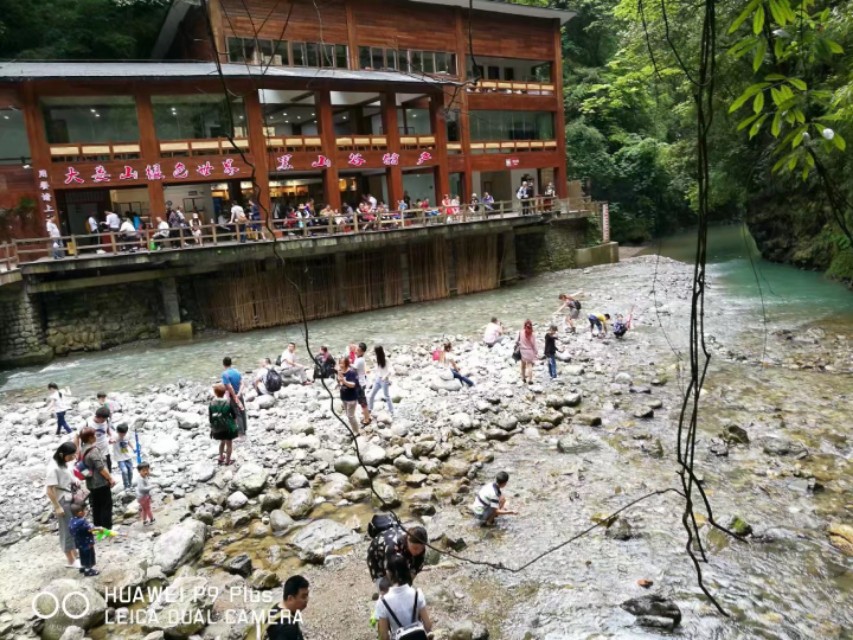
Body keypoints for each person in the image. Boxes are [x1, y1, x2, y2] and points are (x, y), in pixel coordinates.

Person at [374, 554, 433, 640]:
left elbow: (384, 636)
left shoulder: (382, 602)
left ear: (389, 573)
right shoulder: (417, 593)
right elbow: (428, 625)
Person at [45, 441, 80, 568]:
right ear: (61, 454)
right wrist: (57, 507)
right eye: (70, 456)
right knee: (67, 530)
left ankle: (75, 553)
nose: (73, 459)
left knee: (74, 527)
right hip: (62, 501)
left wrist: (75, 480)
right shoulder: (53, 468)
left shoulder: (63, 463)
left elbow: (69, 474)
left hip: (70, 496)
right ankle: (71, 560)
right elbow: (49, 491)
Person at [78, 426, 116, 529]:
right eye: (94, 435)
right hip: (100, 482)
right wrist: (110, 478)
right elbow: (101, 468)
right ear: (90, 438)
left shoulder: (82, 449)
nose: (95, 436)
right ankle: (107, 528)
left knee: (96, 505)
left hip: (90, 483)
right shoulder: (93, 450)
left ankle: (98, 526)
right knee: (106, 505)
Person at [266, 575, 310, 640]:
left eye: (307, 595)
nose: (307, 599)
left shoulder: (275, 609)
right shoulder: (288, 628)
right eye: (303, 596)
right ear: (290, 598)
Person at [74, 406, 114, 471]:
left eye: (105, 420)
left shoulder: (106, 420)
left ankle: (109, 480)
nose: (103, 421)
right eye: (102, 420)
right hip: (91, 451)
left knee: (108, 468)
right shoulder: (87, 423)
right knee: (96, 470)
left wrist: (111, 437)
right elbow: (76, 436)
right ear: (98, 417)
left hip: (104, 449)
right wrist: (77, 450)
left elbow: (108, 430)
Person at [69, 504, 104, 577]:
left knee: (82, 555)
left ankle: (83, 567)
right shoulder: (82, 522)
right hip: (87, 542)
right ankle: (88, 571)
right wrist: (99, 528)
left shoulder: (72, 520)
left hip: (79, 542)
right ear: (80, 513)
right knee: (89, 556)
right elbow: (90, 528)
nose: (85, 512)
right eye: (83, 511)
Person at [210, 383, 239, 465]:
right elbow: (234, 416)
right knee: (229, 444)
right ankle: (227, 461)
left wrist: (212, 427)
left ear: (215, 393)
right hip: (227, 426)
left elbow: (210, 417)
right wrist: (235, 425)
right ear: (224, 393)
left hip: (217, 426)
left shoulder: (212, 403)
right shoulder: (227, 403)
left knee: (222, 442)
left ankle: (221, 457)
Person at [221, 357, 247, 437]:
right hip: (239, 394)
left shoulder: (225, 374)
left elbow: (229, 387)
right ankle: (245, 428)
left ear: (223, 364)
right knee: (242, 411)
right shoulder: (236, 371)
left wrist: (234, 396)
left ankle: (241, 432)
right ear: (231, 363)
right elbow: (242, 383)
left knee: (237, 413)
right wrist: (239, 393)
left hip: (233, 396)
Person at [368, 345, 393, 417]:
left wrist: (385, 376)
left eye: (375, 351)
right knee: (371, 395)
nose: (374, 353)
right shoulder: (377, 358)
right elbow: (369, 356)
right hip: (378, 379)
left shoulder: (386, 359)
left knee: (387, 396)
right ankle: (370, 409)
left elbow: (391, 370)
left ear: (378, 352)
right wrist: (371, 350)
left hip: (384, 381)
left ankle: (391, 411)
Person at [337, 357, 360, 433]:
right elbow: (340, 383)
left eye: (342, 363)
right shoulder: (340, 372)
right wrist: (339, 379)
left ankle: (356, 432)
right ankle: (354, 430)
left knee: (351, 416)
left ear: (347, 364)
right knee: (348, 415)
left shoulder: (352, 372)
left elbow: (353, 385)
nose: (340, 365)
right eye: (340, 363)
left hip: (351, 398)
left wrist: (344, 381)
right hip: (344, 397)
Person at [113, 424, 136, 491]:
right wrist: (111, 441)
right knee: (124, 471)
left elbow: (128, 441)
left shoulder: (127, 435)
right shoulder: (115, 436)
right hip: (119, 458)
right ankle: (126, 486)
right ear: (118, 432)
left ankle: (130, 484)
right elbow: (110, 440)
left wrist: (133, 448)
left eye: (124, 433)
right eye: (121, 434)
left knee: (130, 471)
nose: (123, 435)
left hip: (127, 456)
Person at [354, 342, 372, 426]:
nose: (356, 351)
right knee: (363, 401)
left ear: (362, 352)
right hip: (361, 382)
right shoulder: (359, 358)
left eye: (358, 350)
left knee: (362, 402)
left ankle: (367, 419)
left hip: (360, 384)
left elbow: (353, 368)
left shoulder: (360, 360)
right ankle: (367, 415)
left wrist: (345, 364)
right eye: (356, 349)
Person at [517, 319, 538, 384]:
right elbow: (534, 345)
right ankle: (530, 379)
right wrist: (536, 352)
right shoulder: (532, 334)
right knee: (529, 366)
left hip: (522, 351)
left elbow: (516, 341)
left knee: (523, 365)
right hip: (530, 352)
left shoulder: (521, 332)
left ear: (524, 325)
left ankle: (523, 378)